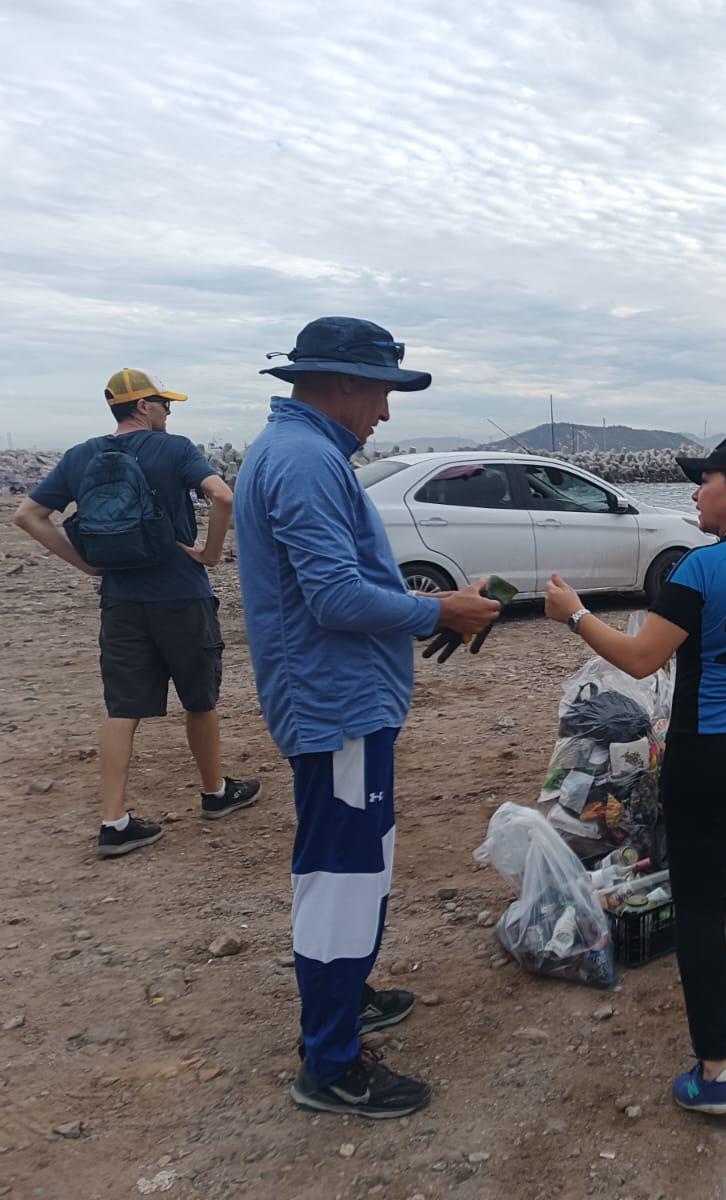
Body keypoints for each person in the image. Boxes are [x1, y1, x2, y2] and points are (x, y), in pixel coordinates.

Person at [233, 318, 502, 1119]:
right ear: (346, 382)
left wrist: (431, 614)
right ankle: (332, 1060)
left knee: (358, 860)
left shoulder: (296, 451)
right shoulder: (308, 460)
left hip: (339, 697)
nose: (385, 412)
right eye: (383, 391)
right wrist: (437, 608)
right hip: (334, 703)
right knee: (343, 874)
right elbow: (336, 597)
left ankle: (347, 993)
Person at [541, 433, 726, 1116]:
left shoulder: (701, 571)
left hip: (709, 752)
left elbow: (641, 660)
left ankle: (717, 1071)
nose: (694, 491)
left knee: (700, 900)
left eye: (705, 480)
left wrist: (576, 613)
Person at [14, 369, 259, 859]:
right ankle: (214, 793)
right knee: (199, 699)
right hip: (181, 595)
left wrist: (85, 564)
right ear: (143, 406)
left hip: (121, 601)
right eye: (164, 404)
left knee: (122, 708)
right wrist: (210, 554)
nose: (169, 412)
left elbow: (27, 515)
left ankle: (114, 821)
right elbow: (224, 496)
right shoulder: (176, 449)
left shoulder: (81, 455)